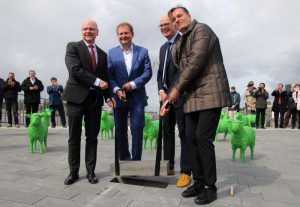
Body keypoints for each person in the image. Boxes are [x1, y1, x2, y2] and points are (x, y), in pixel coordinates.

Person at [166, 6, 231, 205]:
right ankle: (198, 181)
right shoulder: (178, 43)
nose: (177, 20)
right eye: (174, 19)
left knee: (203, 138)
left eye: (180, 16)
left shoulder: (202, 30)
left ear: (188, 16)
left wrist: (176, 90)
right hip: (192, 96)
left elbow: (195, 63)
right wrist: (170, 95)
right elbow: (179, 71)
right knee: (189, 137)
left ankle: (210, 188)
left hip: (211, 92)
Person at [63, 20, 115, 185]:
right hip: (75, 99)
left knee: (92, 138)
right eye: (85, 29)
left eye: (91, 29)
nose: (88, 31)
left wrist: (108, 97)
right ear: (81, 31)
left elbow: (105, 78)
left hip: (95, 101)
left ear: (97, 32)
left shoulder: (103, 54)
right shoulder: (73, 47)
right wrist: (97, 82)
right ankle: (73, 172)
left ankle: (91, 171)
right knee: (74, 137)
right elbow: (75, 70)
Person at [108, 22, 152, 161]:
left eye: (126, 33)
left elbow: (148, 72)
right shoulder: (111, 52)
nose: (123, 36)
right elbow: (109, 76)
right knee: (120, 129)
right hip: (119, 97)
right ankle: (124, 158)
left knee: (137, 128)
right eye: (120, 33)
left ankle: (136, 160)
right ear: (117, 36)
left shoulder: (143, 51)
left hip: (137, 97)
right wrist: (116, 90)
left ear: (132, 34)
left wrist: (133, 84)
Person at [157, 15, 191, 187]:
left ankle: (186, 172)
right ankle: (169, 165)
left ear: (174, 24)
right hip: (165, 98)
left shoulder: (184, 42)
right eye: (160, 25)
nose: (163, 27)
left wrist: (170, 92)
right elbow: (159, 75)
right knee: (167, 132)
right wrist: (161, 90)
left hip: (180, 97)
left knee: (184, 134)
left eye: (166, 24)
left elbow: (183, 72)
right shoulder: (163, 48)